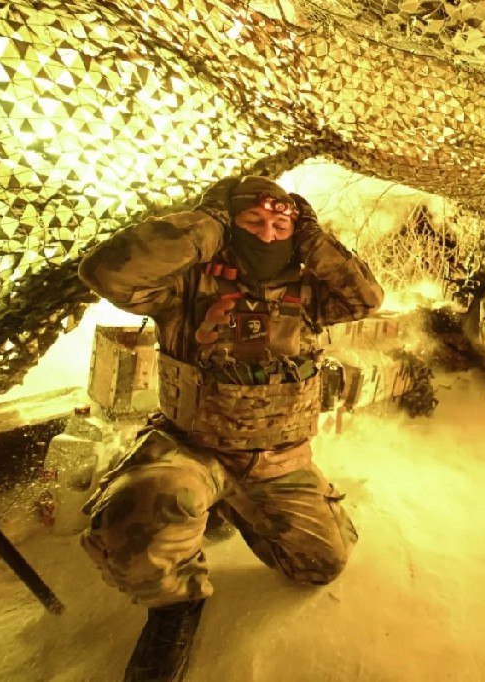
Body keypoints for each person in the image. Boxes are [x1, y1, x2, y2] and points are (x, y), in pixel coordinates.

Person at [77, 176, 384, 681]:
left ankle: (232, 507)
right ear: (228, 225)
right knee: (138, 518)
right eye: (252, 222)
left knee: (322, 564)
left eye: (280, 225)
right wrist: (207, 225)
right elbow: (106, 271)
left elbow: (367, 299)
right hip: (193, 450)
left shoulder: (310, 294)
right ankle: (175, 605)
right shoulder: (185, 286)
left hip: (278, 461)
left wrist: (313, 239)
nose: (267, 235)